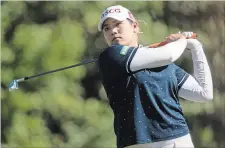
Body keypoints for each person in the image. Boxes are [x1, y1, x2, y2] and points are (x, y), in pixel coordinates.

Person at [97, 5, 213, 148]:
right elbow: (170, 55)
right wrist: (182, 40)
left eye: (118, 24)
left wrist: (195, 46)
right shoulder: (110, 56)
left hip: (177, 141)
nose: (113, 31)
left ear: (134, 26)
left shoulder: (162, 61)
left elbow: (203, 93)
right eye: (106, 28)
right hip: (135, 143)